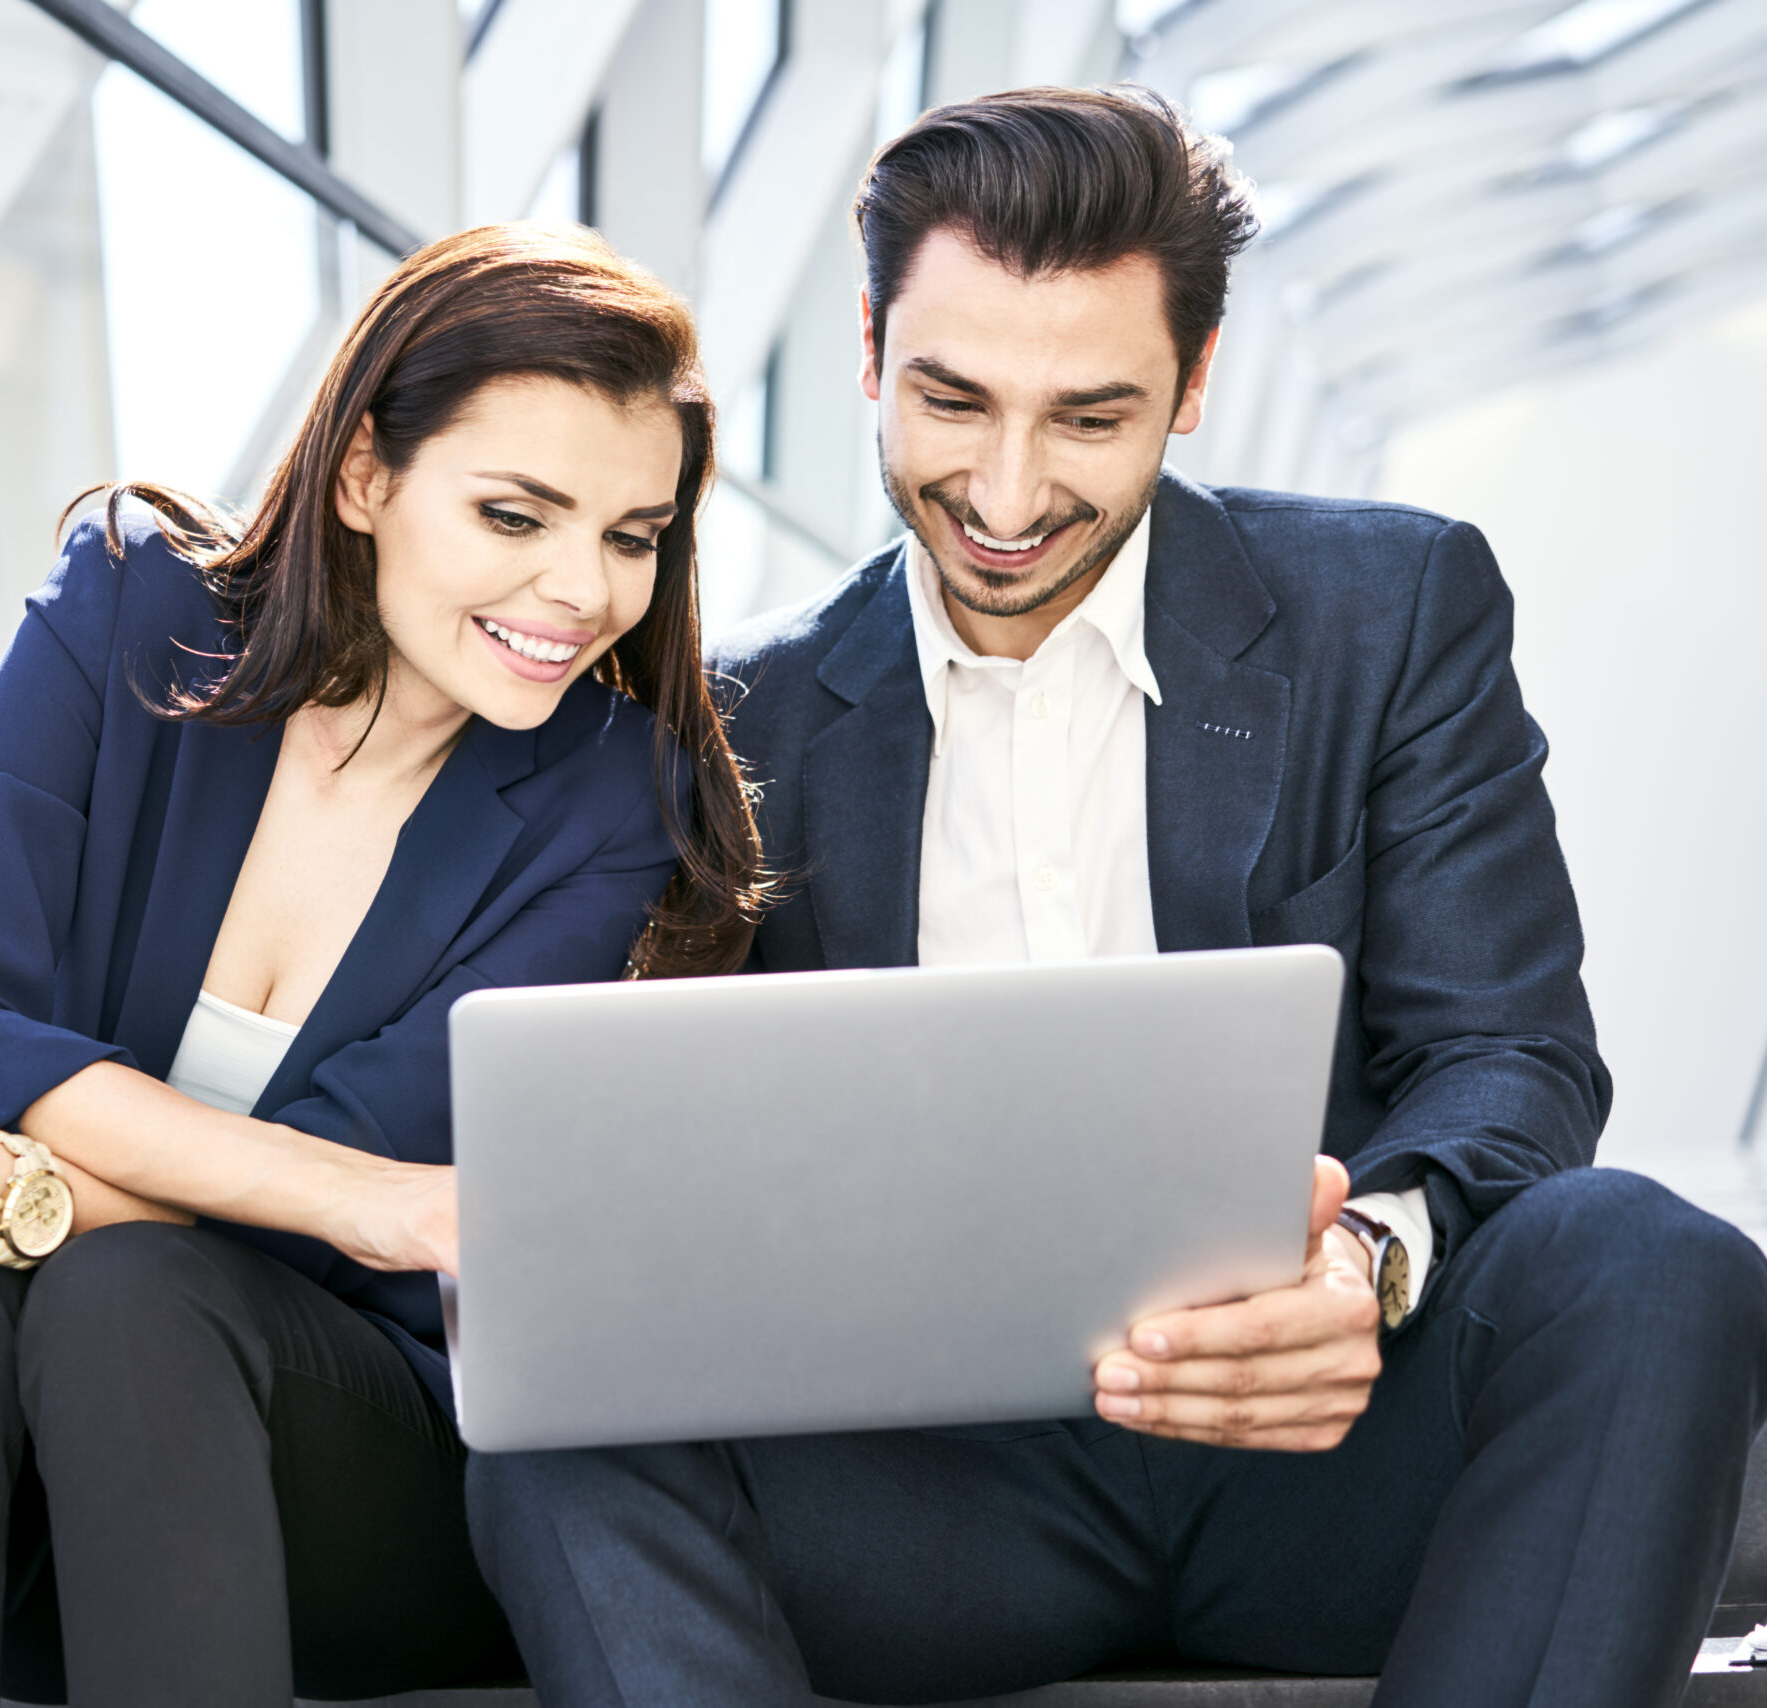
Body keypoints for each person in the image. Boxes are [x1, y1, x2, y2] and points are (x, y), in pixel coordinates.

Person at [466, 87, 1767, 1708]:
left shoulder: (1394, 607)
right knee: (557, 1422)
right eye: (953, 402)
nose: (1007, 497)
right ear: (867, 350)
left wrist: (1366, 1262)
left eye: (1090, 418)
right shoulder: (738, 716)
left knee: (1652, 1259)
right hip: (937, 1497)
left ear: (1196, 383)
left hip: (1326, 1448)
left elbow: (1516, 1059)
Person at [0, 224, 768, 1706]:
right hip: (39, 1499)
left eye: (633, 537)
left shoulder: (616, 802)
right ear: (367, 476)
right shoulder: (131, 610)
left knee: (131, 1292)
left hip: (359, 1493)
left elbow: (314, 1206)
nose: (581, 590)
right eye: (518, 516)